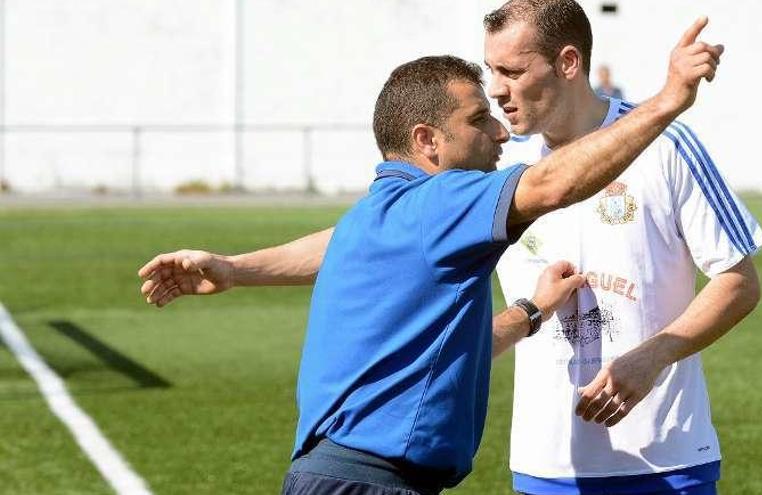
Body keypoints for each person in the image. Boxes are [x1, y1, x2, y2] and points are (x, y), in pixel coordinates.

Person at [139, 21, 722, 494]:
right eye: (477, 120)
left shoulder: (379, 214)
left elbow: (333, 249)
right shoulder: (444, 203)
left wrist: (235, 268)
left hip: (327, 473)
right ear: (427, 141)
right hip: (377, 483)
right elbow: (549, 188)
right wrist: (668, 100)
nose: (498, 129)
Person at [483, 1, 762, 494]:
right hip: (547, 467)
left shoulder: (666, 146)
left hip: (666, 463)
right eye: (491, 70)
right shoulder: (498, 171)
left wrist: (654, 356)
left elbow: (738, 282)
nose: (496, 88)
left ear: (568, 63)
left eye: (512, 70)